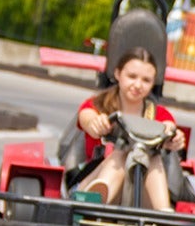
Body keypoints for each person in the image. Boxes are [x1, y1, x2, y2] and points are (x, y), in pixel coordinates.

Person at [73, 48, 186, 212]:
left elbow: (169, 126)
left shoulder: (159, 115)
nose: (138, 85)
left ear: (153, 83)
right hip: (91, 182)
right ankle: (97, 199)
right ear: (118, 74)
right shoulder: (97, 105)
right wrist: (96, 123)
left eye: (146, 80)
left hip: (138, 193)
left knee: (151, 155)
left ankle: (164, 212)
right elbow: (87, 118)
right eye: (132, 76)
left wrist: (173, 138)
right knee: (121, 151)